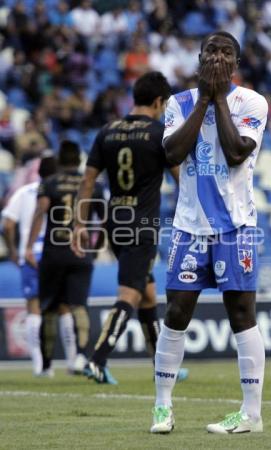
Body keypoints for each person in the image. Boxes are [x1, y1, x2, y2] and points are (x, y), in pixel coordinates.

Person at [150, 31, 268, 434]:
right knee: (177, 312)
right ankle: (162, 407)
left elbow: (236, 153)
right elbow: (171, 154)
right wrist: (203, 98)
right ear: (199, 57)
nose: (219, 57)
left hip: (236, 226)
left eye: (227, 52)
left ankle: (252, 415)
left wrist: (218, 98)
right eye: (212, 51)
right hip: (188, 226)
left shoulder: (251, 102)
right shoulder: (178, 103)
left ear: (236, 63)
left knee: (241, 315)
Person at [71, 71, 188, 384]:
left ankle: (161, 365)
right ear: (159, 101)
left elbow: (87, 181)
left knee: (147, 293)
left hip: (114, 221)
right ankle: (96, 359)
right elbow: (181, 179)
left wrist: (79, 224)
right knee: (131, 293)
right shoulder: (159, 133)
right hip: (143, 224)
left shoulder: (107, 131)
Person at [25, 141, 94, 375]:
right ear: (79, 159)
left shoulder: (49, 183)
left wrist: (27, 246)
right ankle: (81, 356)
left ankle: (45, 365)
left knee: (49, 308)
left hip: (54, 252)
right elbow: (102, 216)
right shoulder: (90, 183)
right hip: (81, 253)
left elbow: (40, 211)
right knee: (79, 306)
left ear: (60, 160)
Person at [2, 151, 58, 375]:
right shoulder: (64, 189)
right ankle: (73, 361)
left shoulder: (23, 193)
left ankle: (40, 365)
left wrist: (14, 251)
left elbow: (6, 225)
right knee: (60, 307)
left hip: (31, 254)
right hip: (55, 253)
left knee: (33, 307)